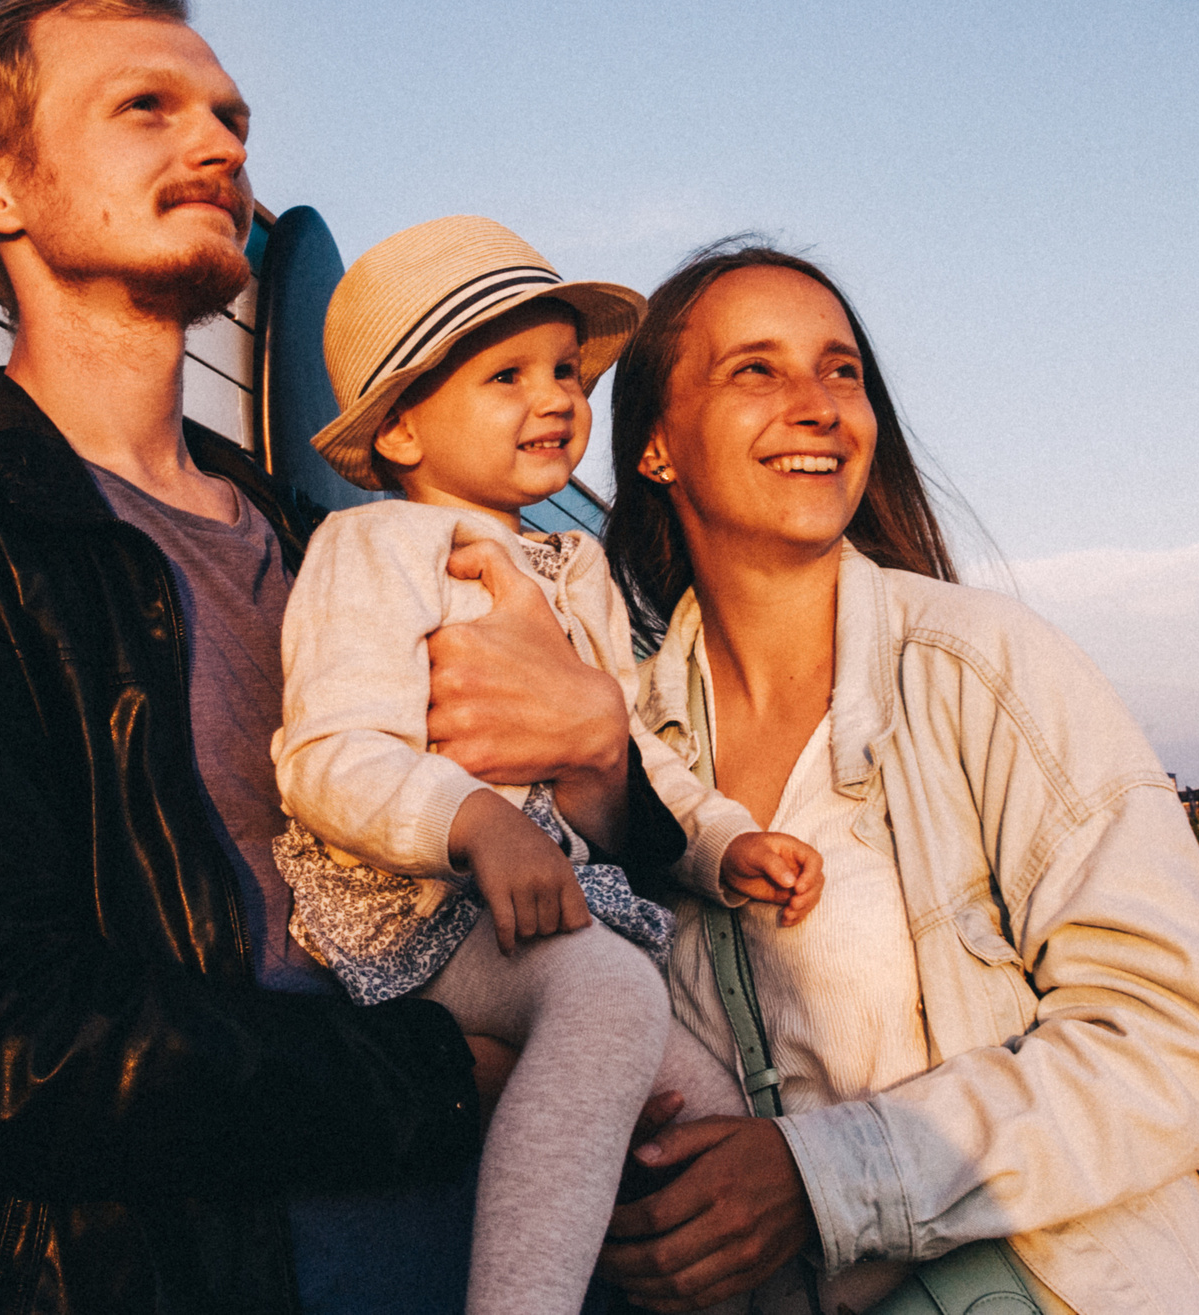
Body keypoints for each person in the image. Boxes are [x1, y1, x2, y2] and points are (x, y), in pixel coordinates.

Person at [0, 0, 695, 1314]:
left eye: (231, 118)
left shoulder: (320, 536)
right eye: (148, 106)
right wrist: (440, 1076)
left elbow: (571, 850)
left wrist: (601, 762)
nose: (220, 145)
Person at [592, 242, 1199, 1315]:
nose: (816, 406)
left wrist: (820, 1178)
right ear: (656, 445)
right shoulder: (624, 752)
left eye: (840, 370)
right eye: (756, 369)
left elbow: (1173, 1045)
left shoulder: (985, 671)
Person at [270, 216, 828, 1315]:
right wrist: (475, 821)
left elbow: (631, 751)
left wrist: (721, 844)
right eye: (505, 374)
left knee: (714, 1123)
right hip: (416, 902)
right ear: (400, 434)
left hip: (541, 921)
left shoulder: (575, 569)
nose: (557, 398)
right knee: (614, 996)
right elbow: (327, 753)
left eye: (566, 371)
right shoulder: (373, 549)